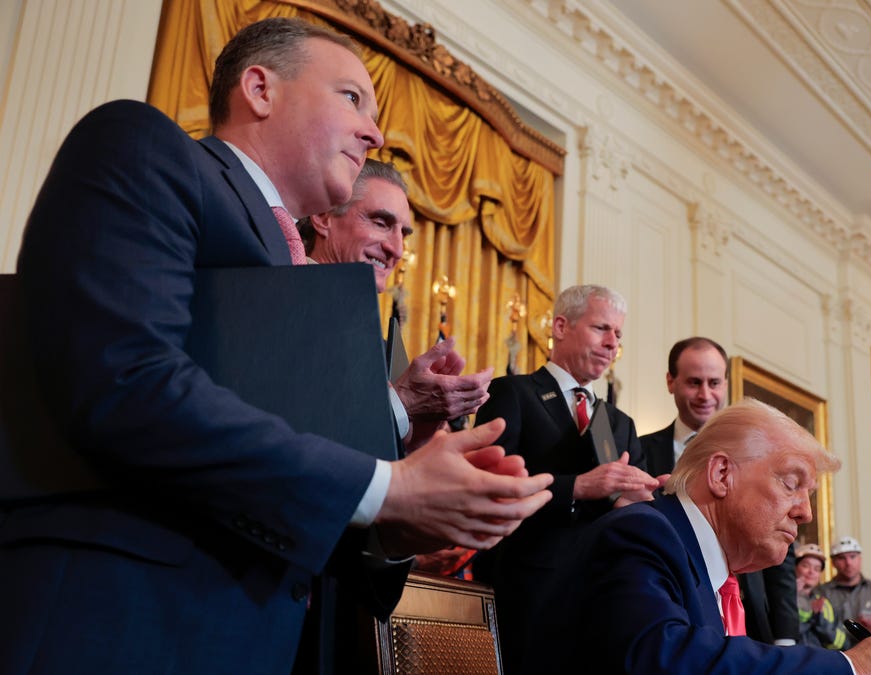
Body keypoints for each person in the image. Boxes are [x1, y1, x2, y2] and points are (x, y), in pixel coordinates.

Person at [3, 17, 551, 674]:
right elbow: (124, 380)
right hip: (117, 622)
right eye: (352, 98)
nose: (376, 133)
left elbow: (288, 476)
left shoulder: (309, 282)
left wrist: (400, 528)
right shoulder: (144, 148)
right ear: (260, 89)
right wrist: (387, 487)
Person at [525, 399, 871, 675]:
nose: (805, 512)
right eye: (791, 484)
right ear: (721, 474)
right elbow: (662, 660)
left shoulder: (715, 574)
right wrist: (851, 665)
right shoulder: (643, 532)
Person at [473, 283, 661, 673]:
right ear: (561, 326)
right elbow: (488, 483)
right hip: (527, 594)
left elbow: (633, 510)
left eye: (618, 334)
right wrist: (578, 487)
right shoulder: (513, 393)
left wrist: (645, 499)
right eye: (601, 328)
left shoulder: (620, 423)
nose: (612, 343)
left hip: (602, 598)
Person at [299, 158, 492, 450]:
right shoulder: (284, 301)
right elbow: (298, 433)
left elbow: (375, 452)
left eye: (403, 234)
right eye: (380, 223)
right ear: (323, 216)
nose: (397, 249)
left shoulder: (375, 342)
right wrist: (403, 401)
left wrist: (422, 426)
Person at [640, 336, 800, 645]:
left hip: (747, 614)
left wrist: (786, 635)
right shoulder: (640, 451)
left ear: (725, 384)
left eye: (714, 383)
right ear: (671, 382)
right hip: (670, 610)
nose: (705, 394)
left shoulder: (759, 455)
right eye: (694, 382)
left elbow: (781, 546)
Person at [795, 542, 850, 649]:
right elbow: (785, 633)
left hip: (819, 658)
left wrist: (819, 619)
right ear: (795, 567)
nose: (811, 572)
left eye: (817, 569)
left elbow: (843, 643)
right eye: (805, 566)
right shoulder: (783, 598)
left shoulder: (825, 604)